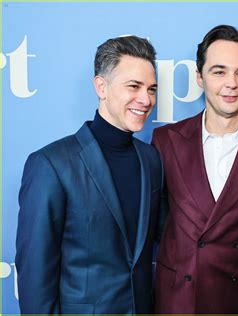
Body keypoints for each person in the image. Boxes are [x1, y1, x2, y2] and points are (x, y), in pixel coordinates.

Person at [151, 24, 238, 313]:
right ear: (199, 78)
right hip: (179, 298)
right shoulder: (166, 140)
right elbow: (159, 225)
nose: (232, 83)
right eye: (219, 71)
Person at [15, 35, 162, 314]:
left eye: (152, 89)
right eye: (134, 86)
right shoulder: (51, 164)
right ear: (101, 87)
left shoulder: (151, 159)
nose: (145, 99)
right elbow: (35, 278)